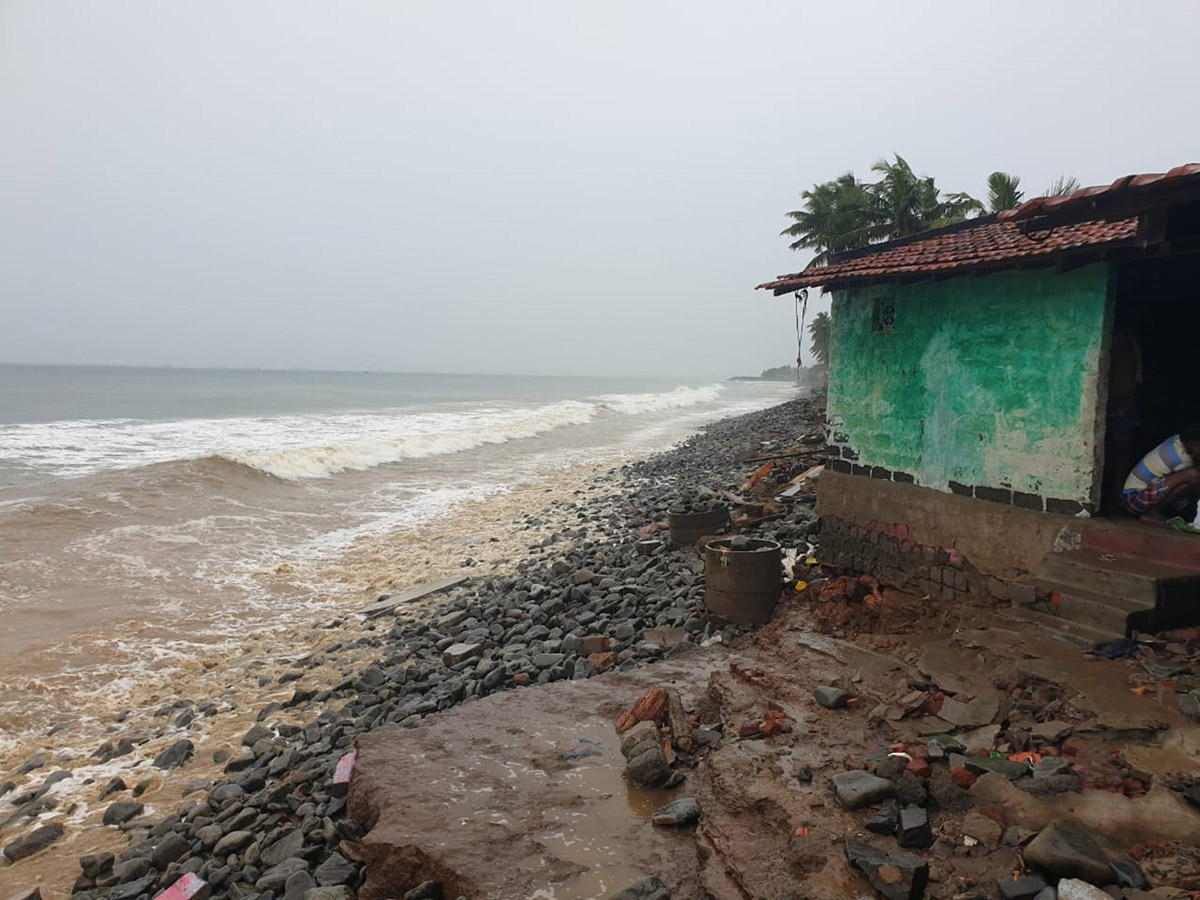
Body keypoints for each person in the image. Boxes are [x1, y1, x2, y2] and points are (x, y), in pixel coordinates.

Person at [1122, 429, 1200, 522]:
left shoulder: (1176, 441)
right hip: (1136, 499)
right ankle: (1152, 512)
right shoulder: (1181, 457)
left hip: (1133, 497)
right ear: (1192, 442)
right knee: (1193, 475)